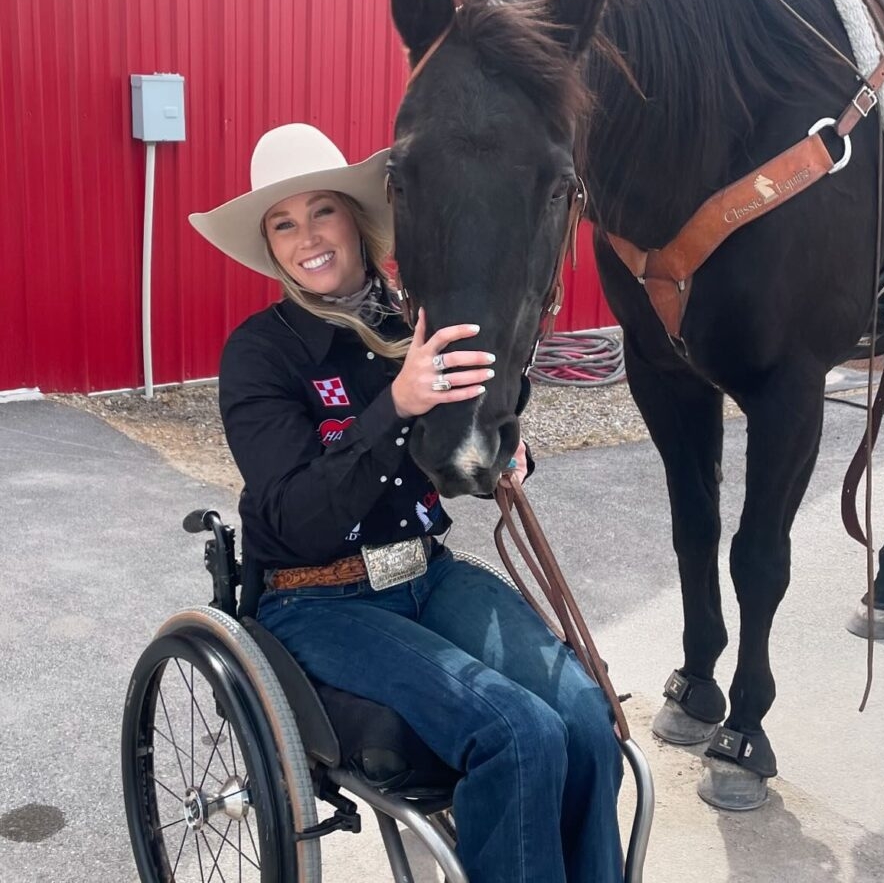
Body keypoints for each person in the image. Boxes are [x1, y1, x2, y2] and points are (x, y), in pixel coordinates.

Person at [189, 123, 623, 883]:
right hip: (318, 602)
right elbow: (297, 516)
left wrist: (502, 448)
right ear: (272, 248)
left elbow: (481, 417)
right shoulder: (260, 354)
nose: (307, 238)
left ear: (355, 222)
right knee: (518, 733)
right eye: (283, 225)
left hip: (428, 573)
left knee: (585, 720)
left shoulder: (411, 324)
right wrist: (394, 403)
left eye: (321, 212)